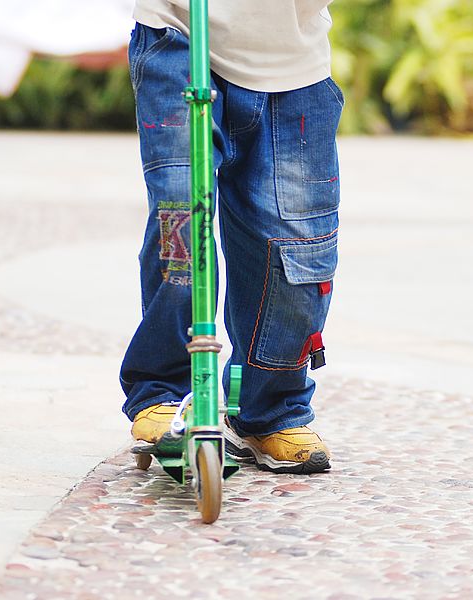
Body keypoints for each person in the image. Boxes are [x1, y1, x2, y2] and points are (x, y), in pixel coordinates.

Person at [119, 0, 342, 474]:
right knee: (182, 220)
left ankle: (268, 410)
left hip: (294, 66)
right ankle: (160, 392)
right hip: (178, 38)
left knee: (298, 252)